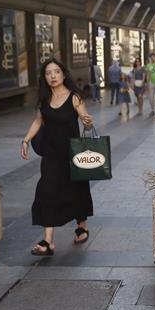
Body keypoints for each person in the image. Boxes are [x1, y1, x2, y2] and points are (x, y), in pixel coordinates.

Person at [20, 58, 95, 256]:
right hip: (51, 155)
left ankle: (82, 226)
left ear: (63, 74)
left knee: (77, 191)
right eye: (48, 73)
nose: (53, 76)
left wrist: (88, 123)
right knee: (47, 192)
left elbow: (86, 123)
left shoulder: (74, 97)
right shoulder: (44, 100)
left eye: (56, 72)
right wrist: (26, 140)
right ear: (44, 77)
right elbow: (38, 122)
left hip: (73, 155)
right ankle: (48, 241)